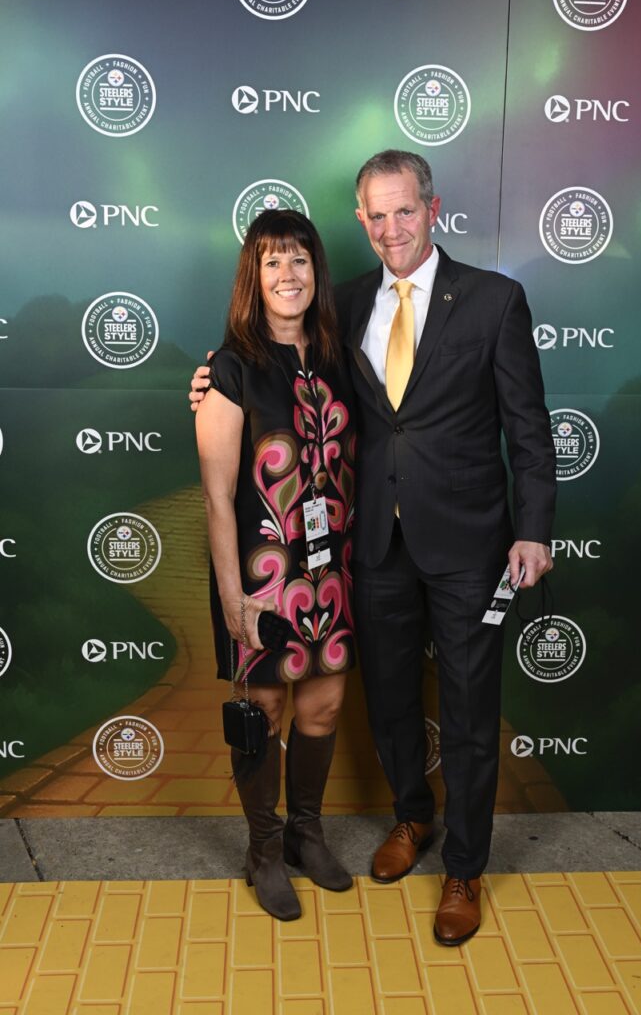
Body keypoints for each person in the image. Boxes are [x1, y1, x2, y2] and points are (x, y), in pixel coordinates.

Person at [191, 150, 556, 946]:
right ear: (360, 220)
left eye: (404, 210)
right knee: (390, 701)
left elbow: (528, 429)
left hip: (468, 545)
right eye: (376, 214)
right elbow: (266, 375)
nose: (391, 227)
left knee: (466, 712)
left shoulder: (495, 301)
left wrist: (533, 529)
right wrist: (211, 384)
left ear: (433, 208)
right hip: (372, 549)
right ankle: (410, 820)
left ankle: (464, 867)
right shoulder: (342, 306)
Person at [195, 208, 356, 922]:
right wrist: (235, 603)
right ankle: (262, 851)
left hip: (333, 569)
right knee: (262, 710)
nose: (288, 275)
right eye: (272, 262)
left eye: (299, 260)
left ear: (316, 271)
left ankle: (306, 834)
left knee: (323, 704)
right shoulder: (229, 368)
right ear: (252, 279)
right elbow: (216, 499)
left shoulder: (339, 356)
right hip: (261, 579)